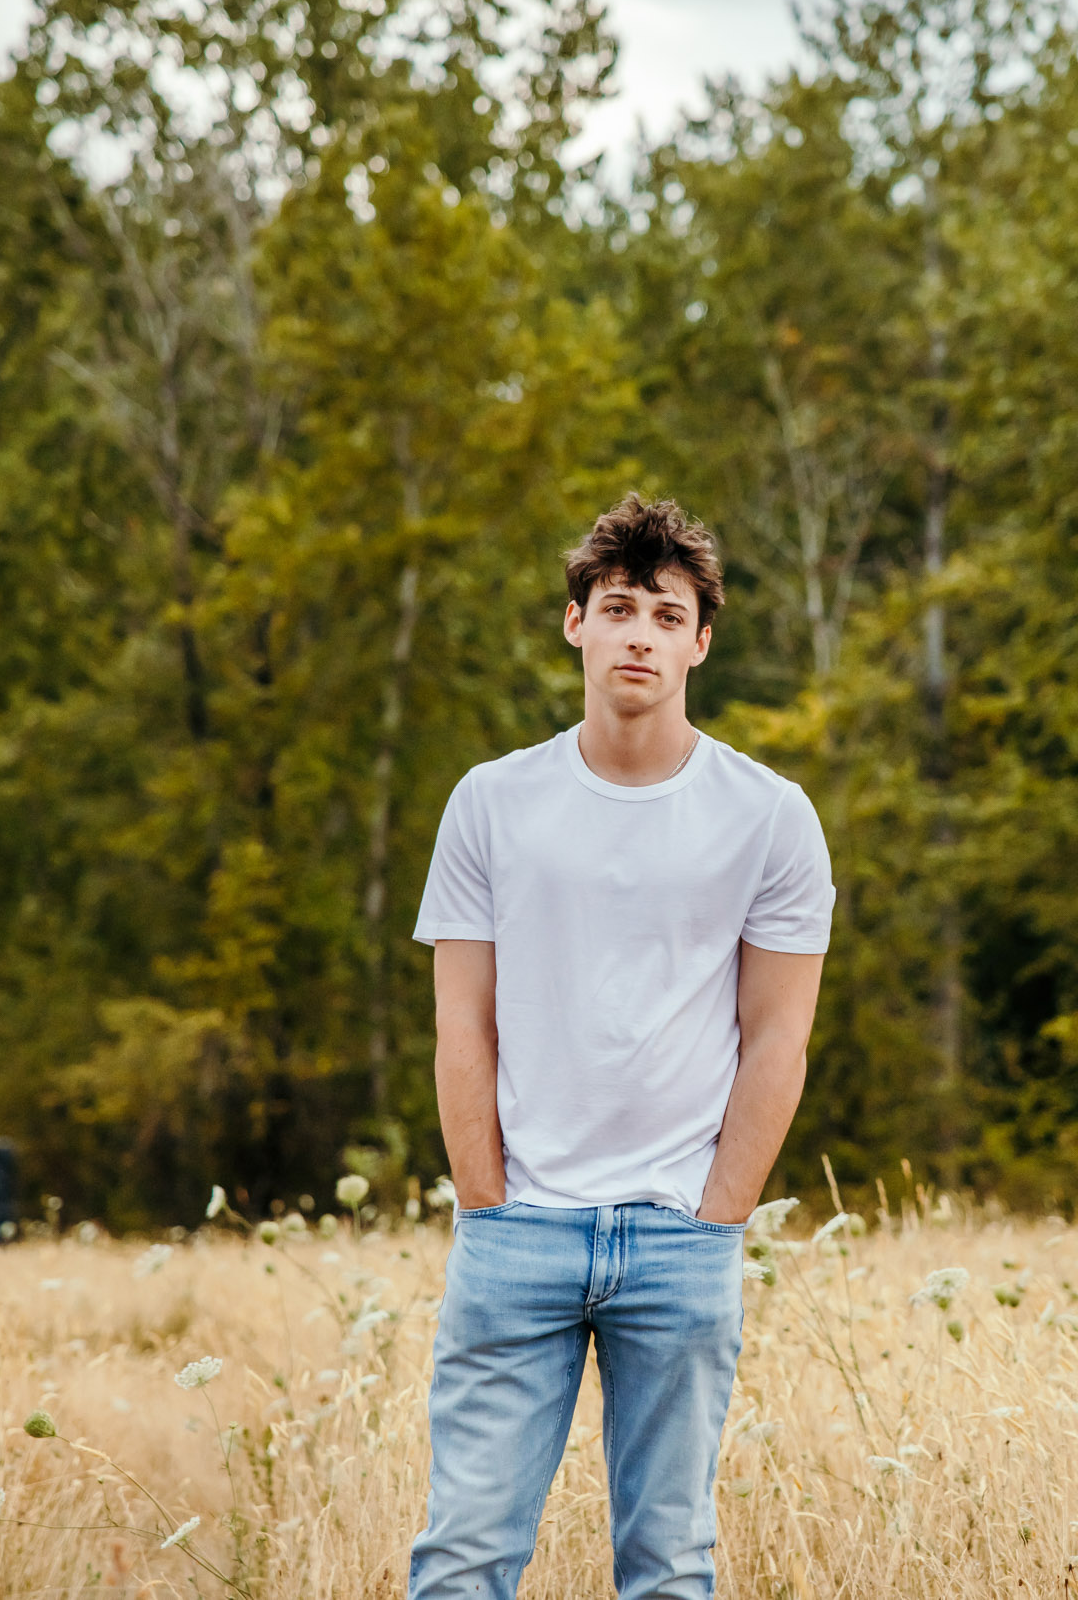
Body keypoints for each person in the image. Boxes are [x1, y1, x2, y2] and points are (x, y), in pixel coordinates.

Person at [407, 493, 833, 1600]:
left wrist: (717, 1218)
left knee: (668, 1568)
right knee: (461, 1560)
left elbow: (778, 1037)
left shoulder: (770, 815)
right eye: (617, 608)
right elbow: (462, 1027)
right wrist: (488, 1205)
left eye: (666, 613)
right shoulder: (491, 803)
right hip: (518, 1236)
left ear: (700, 642)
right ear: (575, 625)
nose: (639, 633)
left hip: (679, 1238)